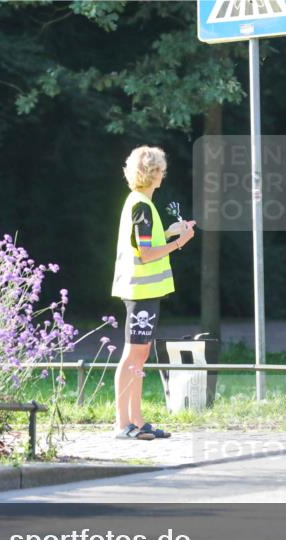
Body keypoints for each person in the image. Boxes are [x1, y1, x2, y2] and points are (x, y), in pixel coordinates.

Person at [111, 146, 196, 441]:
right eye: (160, 169)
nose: (163, 174)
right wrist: (180, 242)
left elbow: (145, 243)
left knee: (140, 355)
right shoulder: (142, 207)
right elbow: (146, 254)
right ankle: (123, 424)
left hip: (144, 291)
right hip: (140, 290)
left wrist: (170, 232)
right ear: (154, 173)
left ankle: (137, 420)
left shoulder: (139, 203)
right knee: (133, 355)